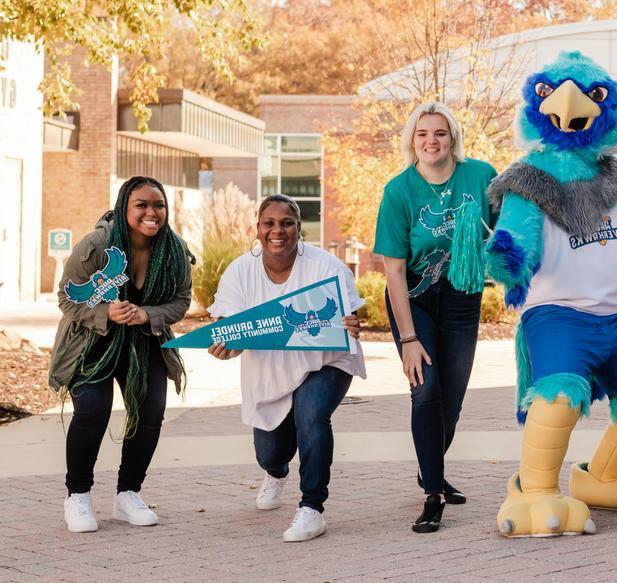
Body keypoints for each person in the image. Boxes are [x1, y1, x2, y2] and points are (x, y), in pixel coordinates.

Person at [208, 194, 366, 542]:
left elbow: (351, 316)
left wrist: (353, 323)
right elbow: (229, 329)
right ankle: (276, 473)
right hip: (269, 369)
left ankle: (312, 508)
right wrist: (225, 347)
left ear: (299, 229)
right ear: (258, 229)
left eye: (287, 223)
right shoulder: (241, 271)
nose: (277, 230)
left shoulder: (327, 267)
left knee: (310, 416)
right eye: (270, 223)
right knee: (270, 452)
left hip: (324, 361)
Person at [373, 101, 497, 533]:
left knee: (453, 401)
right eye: (423, 134)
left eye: (440, 133)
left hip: (463, 297)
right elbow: (392, 269)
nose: (431, 141)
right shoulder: (399, 191)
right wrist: (408, 339)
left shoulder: (480, 176)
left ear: (453, 138)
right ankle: (432, 495)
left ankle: (432, 468)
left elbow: (514, 225)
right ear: (412, 140)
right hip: (416, 301)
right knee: (426, 392)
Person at [50, 176, 194, 533]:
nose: (151, 212)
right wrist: (106, 313)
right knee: (93, 410)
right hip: (92, 342)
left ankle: (128, 494)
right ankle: (78, 496)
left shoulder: (174, 250)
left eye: (158, 205)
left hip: (143, 340)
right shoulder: (98, 245)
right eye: (141, 205)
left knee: (150, 413)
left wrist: (149, 314)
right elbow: (67, 297)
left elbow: (182, 300)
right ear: (124, 207)